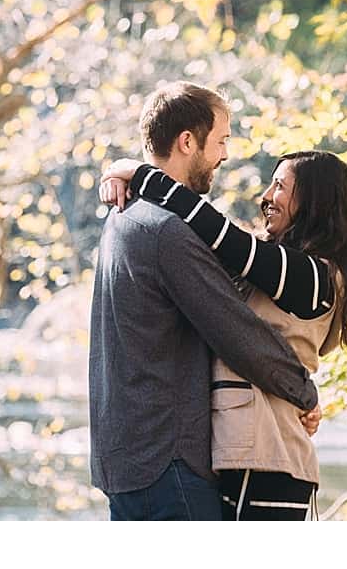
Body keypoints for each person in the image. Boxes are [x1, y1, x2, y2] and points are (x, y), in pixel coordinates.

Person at [99, 145, 347, 521]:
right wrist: (117, 173)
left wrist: (139, 173)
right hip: (249, 455)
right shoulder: (277, 269)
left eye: (280, 187)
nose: (266, 197)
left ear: (314, 202)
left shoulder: (312, 276)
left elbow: (220, 234)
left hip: (269, 459)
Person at [89, 83, 321, 520]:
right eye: (221, 141)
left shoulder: (121, 218)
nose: (224, 154)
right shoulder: (167, 232)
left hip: (124, 461)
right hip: (169, 463)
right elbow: (237, 331)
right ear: (187, 142)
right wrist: (304, 391)